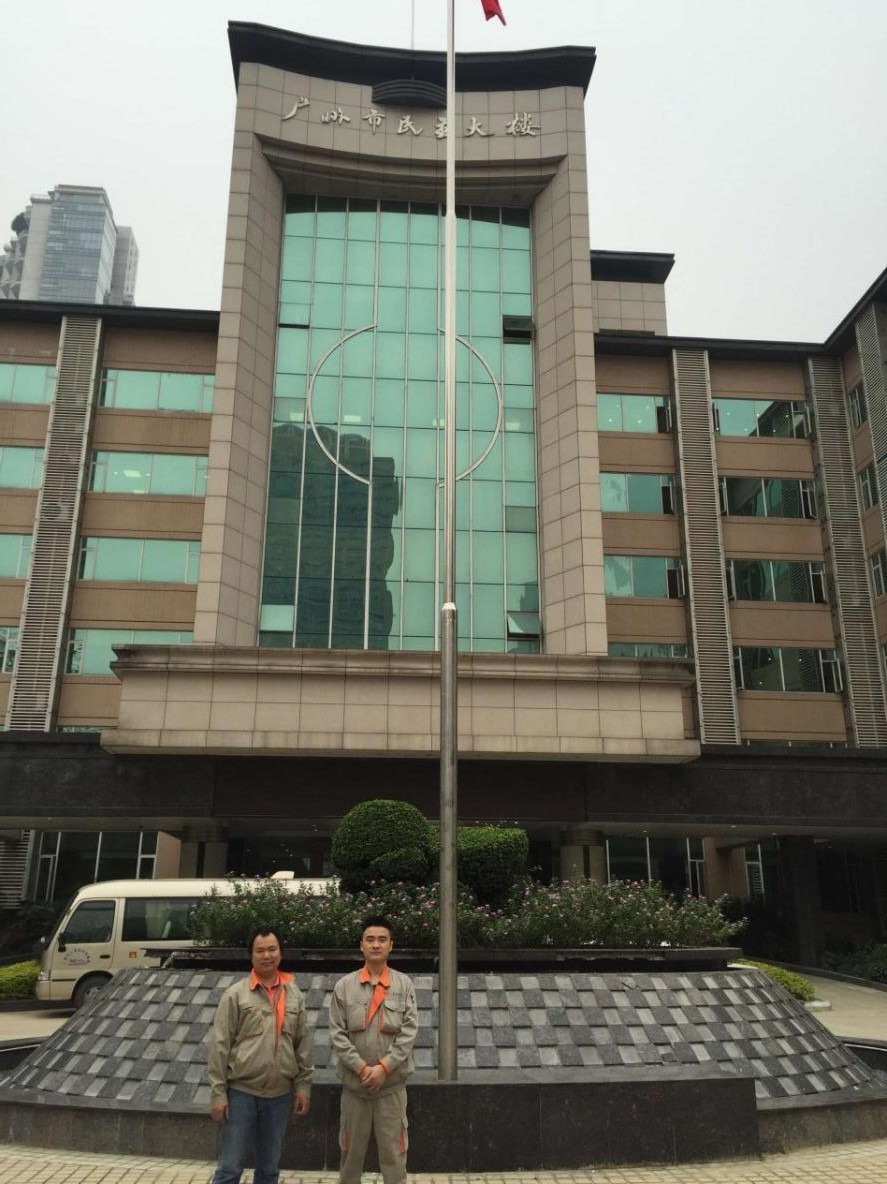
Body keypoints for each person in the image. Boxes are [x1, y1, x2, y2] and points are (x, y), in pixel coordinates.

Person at [207, 928, 313, 1184]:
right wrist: (218, 1093)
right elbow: (220, 1045)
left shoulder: (294, 996)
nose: (267, 955)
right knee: (229, 1168)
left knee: (269, 1169)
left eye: (272, 949)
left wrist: (303, 1086)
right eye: (260, 950)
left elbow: (303, 1044)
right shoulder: (236, 995)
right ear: (251, 956)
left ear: (280, 953)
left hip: (279, 1095)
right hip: (241, 1094)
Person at [328, 915, 418, 1184]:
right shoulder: (344, 987)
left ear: (391, 945)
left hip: (391, 1089)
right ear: (361, 945)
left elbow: (408, 1033)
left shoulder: (404, 985)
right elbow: (337, 1034)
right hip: (355, 1089)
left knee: (394, 1157)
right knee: (350, 1158)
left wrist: (384, 1068)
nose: (376, 945)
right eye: (370, 939)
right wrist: (362, 1068)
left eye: (382, 939)